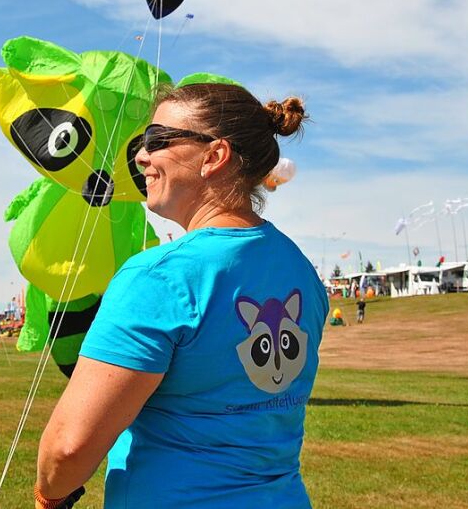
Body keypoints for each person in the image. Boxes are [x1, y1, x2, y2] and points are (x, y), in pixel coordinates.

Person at [34, 83, 326, 508]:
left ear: (214, 156)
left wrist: (48, 498)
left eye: (157, 140)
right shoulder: (301, 271)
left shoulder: (159, 277)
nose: (140, 156)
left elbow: (69, 447)